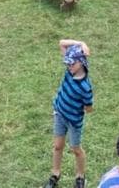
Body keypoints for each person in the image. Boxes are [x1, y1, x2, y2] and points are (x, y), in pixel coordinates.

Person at [42, 39, 94, 188]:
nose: (69, 66)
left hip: (73, 122)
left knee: (75, 149)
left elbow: (89, 108)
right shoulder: (69, 72)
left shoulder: (85, 87)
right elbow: (62, 43)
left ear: (81, 62)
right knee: (58, 146)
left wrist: (77, 108)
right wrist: (82, 43)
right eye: (68, 63)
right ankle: (55, 174)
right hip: (59, 115)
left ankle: (80, 177)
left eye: (72, 63)